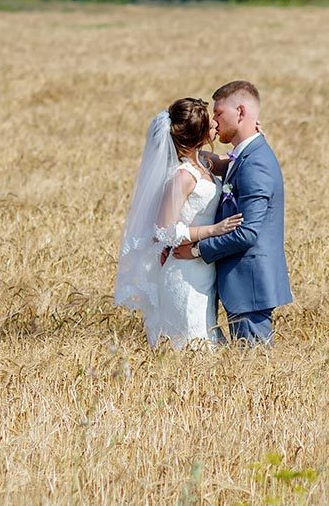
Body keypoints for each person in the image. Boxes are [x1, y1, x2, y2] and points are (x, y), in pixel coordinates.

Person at [112, 97, 242, 348]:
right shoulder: (182, 176)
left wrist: (254, 139)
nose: (216, 123)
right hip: (182, 271)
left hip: (202, 267)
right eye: (210, 121)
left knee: (206, 340)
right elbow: (163, 231)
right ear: (200, 133)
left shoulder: (203, 162)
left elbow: (236, 161)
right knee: (191, 342)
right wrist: (212, 231)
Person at [170, 80, 292, 346]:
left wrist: (197, 250)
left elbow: (247, 233)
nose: (213, 122)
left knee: (255, 366)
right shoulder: (246, 156)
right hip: (239, 283)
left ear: (240, 112)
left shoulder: (255, 164)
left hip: (250, 284)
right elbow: (210, 163)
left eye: (218, 113)